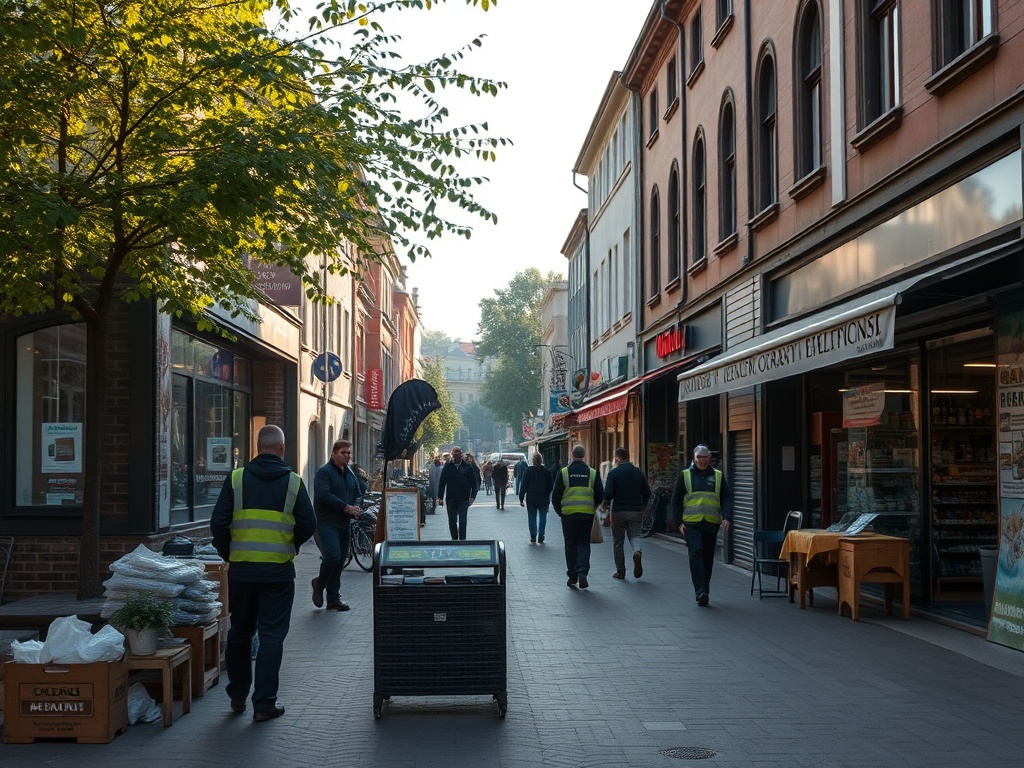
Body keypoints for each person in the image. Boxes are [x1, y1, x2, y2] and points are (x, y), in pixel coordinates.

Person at [210, 425, 316, 722]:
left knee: (240, 631)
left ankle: (237, 694)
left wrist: (229, 553)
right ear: (282, 448)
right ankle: (264, 704)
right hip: (277, 573)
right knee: (272, 636)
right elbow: (308, 524)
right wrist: (289, 545)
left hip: (242, 571)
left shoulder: (236, 479)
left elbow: (218, 523)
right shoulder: (293, 482)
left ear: (257, 447)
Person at [670, 444, 733, 607]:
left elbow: (726, 497)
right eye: (699, 457)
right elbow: (676, 501)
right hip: (691, 524)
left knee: (708, 557)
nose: (702, 460)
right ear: (694, 458)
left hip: (711, 523)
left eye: (705, 457)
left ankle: (704, 589)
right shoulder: (685, 475)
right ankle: (701, 591)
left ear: (709, 458)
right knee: (696, 552)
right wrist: (679, 523)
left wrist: (727, 517)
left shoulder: (717, 476)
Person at [311, 439, 367, 612]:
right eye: (343, 453)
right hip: (327, 521)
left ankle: (333, 598)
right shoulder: (324, 472)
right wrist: (345, 507)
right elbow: (324, 495)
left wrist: (356, 506)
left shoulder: (350, 473)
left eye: (349, 453)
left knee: (341, 559)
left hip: (344, 522)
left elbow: (359, 493)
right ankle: (319, 584)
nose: (347, 456)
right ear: (334, 453)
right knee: (333, 556)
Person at [552, 444, 603, 589]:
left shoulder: (564, 472)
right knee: (584, 543)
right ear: (584, 455)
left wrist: (560, 511)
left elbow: (556, 495)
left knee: (570, 545)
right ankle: (583, 572)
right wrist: (593, 507)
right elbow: (600, 494)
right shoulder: (592, 473)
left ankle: (572, 575)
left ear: (572, 454)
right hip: (586, 514)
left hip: (568, 515)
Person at [601, 447, 651, 580]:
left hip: (618, 511)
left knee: (618, 541)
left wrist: (606, 504)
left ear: (618, 458)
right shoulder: (638, 472)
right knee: (635, 536)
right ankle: (637, 552)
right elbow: (647, 492)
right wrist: (643, 505)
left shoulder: (613, 473)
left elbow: (608, 493)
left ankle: (620, 571)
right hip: (635, 511)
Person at [437, 446, 479, 539]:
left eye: (458, 456)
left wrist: (472, 496)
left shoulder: (467, 467)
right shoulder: (448, 467)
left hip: (464, 498)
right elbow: (442, 482)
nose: (456, 458)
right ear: (452, 456)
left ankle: (462, 540)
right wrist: (440, 497)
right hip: (451, 498)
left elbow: (474, 484)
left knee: (462, 520)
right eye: (454, 456)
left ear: (461, 456)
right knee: (452, 520)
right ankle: (454, 539)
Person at [519, 452, 554, 544]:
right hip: (543, 498)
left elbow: (523, 485)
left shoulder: (528, 471)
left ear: (533, 461)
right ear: (541, 460)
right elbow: (551, 486)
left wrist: (521, 498)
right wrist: (547, 494)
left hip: (531, 499)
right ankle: (541, 535)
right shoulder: (547, 472)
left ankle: (533, 536)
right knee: (543, 517)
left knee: (532, 518)